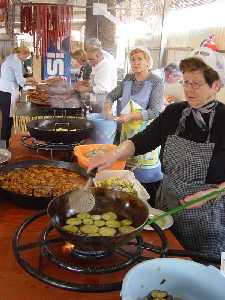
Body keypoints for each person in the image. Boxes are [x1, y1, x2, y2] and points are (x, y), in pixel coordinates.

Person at [88, 46, 225, 259]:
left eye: (197, 83)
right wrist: (114, 154)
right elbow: (141, 141)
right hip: (166, 208)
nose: (189, 89)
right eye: (186, 82)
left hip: (206, 216)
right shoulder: (174, 112)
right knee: (165, 258)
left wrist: (214, 192)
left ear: (216, 85)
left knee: (198, 271)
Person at [103, 47, 164, 206]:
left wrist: (130, 116)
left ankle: (147, 210)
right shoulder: (128, 78)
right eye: (133, 59)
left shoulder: (156, 82)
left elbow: (155, 111)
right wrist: (107, 108)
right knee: (127, 178)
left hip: (148, 135)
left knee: (144, 182)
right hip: (127, 134)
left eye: (140, 59)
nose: (136, 62)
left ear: (148, 61)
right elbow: (111, 95)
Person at [0, 45, 35, 147]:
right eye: (26, 57)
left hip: (3, 91)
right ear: (22, 53)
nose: (25, 59)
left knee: (7, 120)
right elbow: (20, 81)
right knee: (7, 122)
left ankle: (5, 144)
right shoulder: (16, 61)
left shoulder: (10, 57)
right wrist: (30, 80)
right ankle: (3, 148)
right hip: (8, 93)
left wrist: (27, 79)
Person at [75, 46, 117, 112]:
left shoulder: (105, 67)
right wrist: (84, 82)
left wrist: (85, 89)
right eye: (88, 59)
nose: (89, 61)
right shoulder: (96, 64)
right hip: (97, 101)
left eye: (91, 59)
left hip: (104, 103)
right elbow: (95, 80)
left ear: (98, 56)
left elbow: (102, 88)